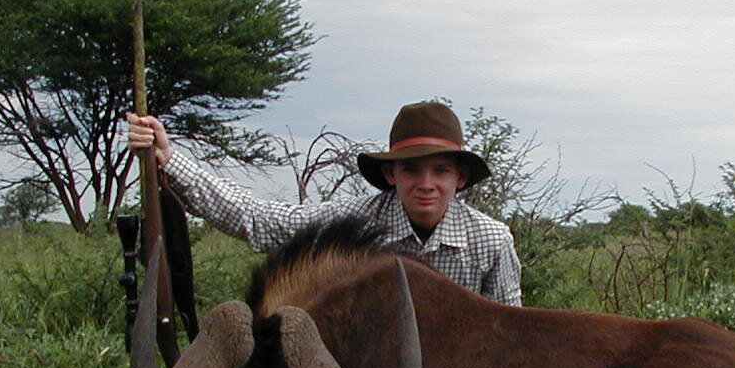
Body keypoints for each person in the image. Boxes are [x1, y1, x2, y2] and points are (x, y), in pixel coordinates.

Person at [127, 100, 522, 306]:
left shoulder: (491, 240)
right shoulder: (357, 223)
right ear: (390, 175)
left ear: (461, 177)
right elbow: (260, 220)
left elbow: (509, 334)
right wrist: (171, 160)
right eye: (412, 170)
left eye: (440, 171)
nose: (426, 184)